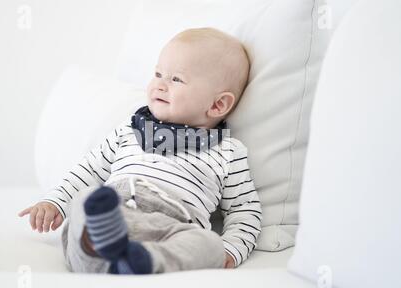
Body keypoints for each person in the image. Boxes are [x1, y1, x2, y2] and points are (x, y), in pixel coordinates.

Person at [18, 27, 262, 274]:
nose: (160, 84)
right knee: (86, 200)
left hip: (171, 228)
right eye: (158, 73)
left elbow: (245, 210)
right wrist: (55, 202)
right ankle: (99, 246)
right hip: (113, 211)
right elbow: (89, 170)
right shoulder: (129, 129)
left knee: (209, 244)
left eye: (176, 79)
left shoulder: (227, 152)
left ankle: (147, 258)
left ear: (218, 104)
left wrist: (231, 249)